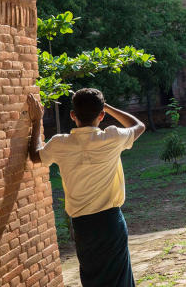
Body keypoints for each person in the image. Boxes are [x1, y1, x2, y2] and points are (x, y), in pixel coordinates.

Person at [26, 88, 145, 287]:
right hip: (110, 223)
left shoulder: (60, 143)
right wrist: (106, 106)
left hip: (82, 226)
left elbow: (35, 154)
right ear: (102, 115)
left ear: (73, 115)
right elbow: (138, 125)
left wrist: (36, 120)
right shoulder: (112, 137)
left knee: (92, 279)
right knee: (119, 279)